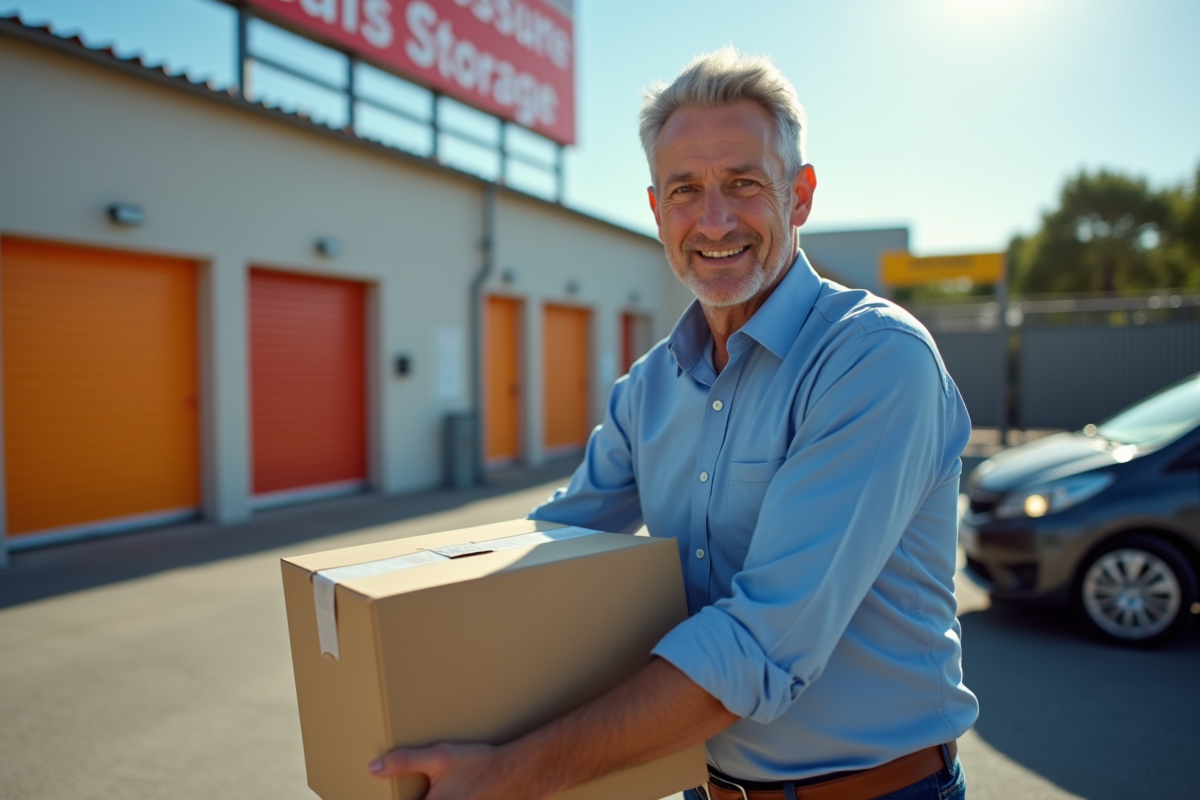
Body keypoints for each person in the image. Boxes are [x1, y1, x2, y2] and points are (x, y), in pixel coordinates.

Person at [369, 47, 976, 800]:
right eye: (685, 189)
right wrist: (397, 638)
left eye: (745, 183)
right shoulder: (651, 387)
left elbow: (759, 644)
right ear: (657, 210)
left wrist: (512, 776)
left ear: (801, 196)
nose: (714, 220)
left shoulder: (872, 361)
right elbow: (553, 550)